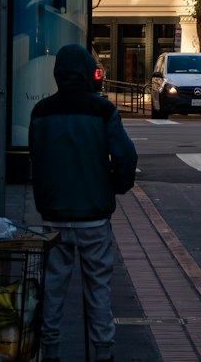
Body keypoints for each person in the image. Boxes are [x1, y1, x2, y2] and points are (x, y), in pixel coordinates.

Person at [29, 43, 137, 362]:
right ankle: (102, 350)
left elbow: (37, 157)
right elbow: (125, 155)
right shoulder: (102, 109)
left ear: (58, 73)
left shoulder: (41, 111)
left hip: (54, 213)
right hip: (94, 214)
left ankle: (51, 349)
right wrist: (116, 186)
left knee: (53, 289)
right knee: (98, 288)